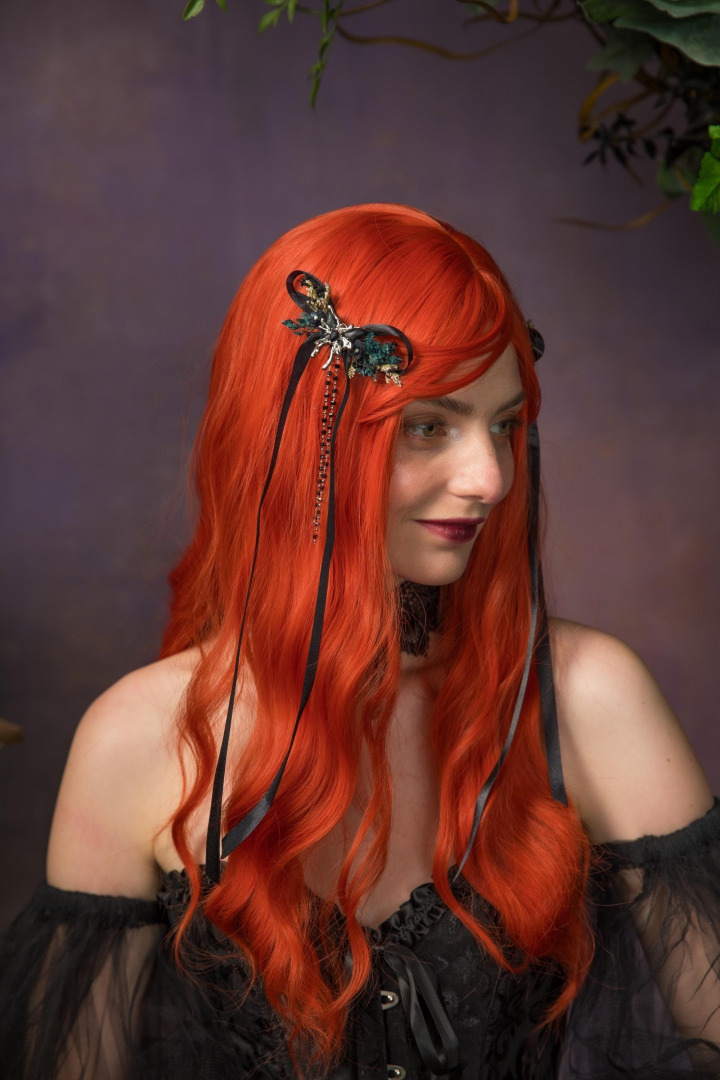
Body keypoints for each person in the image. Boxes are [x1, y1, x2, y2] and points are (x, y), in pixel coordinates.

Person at [1, 202, 719, 1080]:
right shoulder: (137, 741)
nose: (490, 478)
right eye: (428, 425)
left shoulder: (588, 697)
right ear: (306, 444)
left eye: (504, 424)